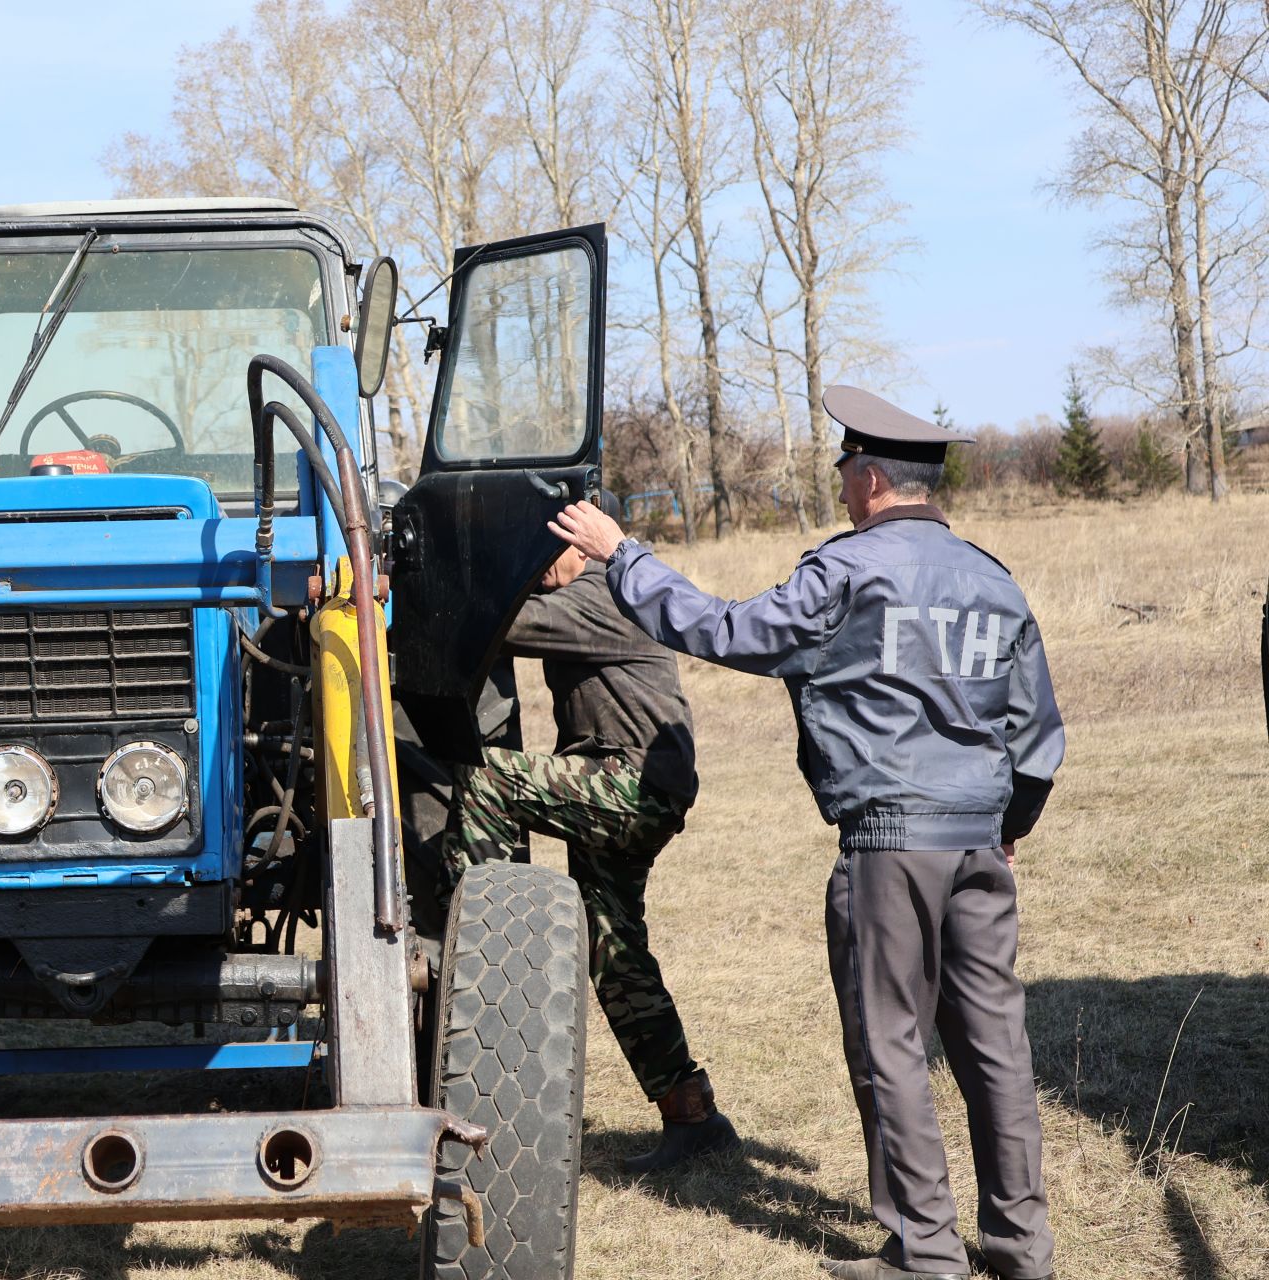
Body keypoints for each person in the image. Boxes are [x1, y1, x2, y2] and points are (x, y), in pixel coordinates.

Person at [547, 387, 1063, 1280]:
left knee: (892, 1048)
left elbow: (725, 630)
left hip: (889, 844)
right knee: (997, 1051)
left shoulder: (847, 571)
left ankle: (924, 1257)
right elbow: (1038, 733)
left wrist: (624, 556)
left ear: (867, 478)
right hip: (981, 843)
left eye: (844, 474)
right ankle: (1022, 1252)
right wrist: (1005, 823)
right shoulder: (995, 577)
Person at [436, 491, 738, 1174]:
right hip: (620, 782)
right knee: (615, 953)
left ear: (589, 540)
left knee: (486, 778)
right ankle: (693, 1117)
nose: (539, 571)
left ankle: (473, 943)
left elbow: (498, 624)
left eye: (551, 555)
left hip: (634, 787)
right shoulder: (597, 584)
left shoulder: (608, 591)